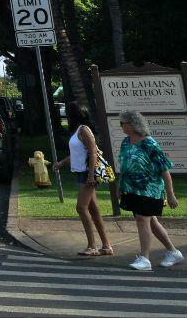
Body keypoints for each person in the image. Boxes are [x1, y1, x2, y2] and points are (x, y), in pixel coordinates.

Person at [117, 110, 182, 271]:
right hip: (132, 188)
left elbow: (164, 170)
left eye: (123, 122)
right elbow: (124, 166)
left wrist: (170, 194)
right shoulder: (126, 142)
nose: (121, 125)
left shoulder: (149, 144)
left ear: (133, 124)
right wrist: (120, 186)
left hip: (150, 189)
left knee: (142, 219)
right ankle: (173, 252)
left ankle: (144, 258)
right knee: (151, 222)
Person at [57, 102, 112, 257]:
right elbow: (77, 153)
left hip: (87, 173)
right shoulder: (77, 131)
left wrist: (90, 176)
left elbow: (93, 152)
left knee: (81, 207)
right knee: (93, 210)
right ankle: (106, 246)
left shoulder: (83, 130)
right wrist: (62, 163)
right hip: (82, 172)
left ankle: (92, 245)